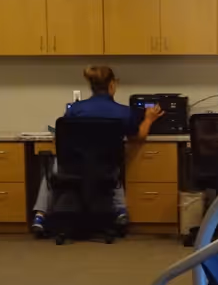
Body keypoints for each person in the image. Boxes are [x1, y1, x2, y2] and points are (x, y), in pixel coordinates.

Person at [31, 64, 163, 235]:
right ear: (112, 85)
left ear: (91, 86)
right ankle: (121, 210)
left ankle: (40, 216)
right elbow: (138, 137)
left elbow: (62, 138)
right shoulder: (124, 112)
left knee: (54, 166)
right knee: (114, 165)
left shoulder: (75, 110)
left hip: (73, 168)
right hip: (106, 167)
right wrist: (149, 119)